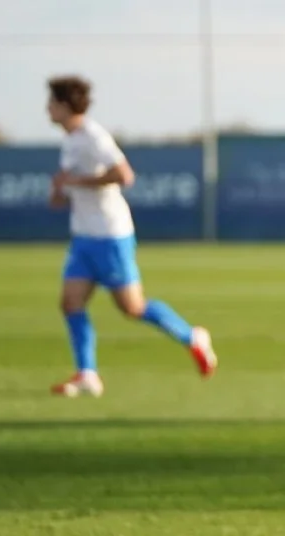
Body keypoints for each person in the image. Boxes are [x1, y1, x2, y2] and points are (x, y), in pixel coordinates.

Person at [46, 75, 217, 397]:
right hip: (83, 237)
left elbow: (124, 175)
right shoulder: (70, 141)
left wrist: (78, 183)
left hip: (109, 234)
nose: (47, 109)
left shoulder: (94, 136)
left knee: (132, 308)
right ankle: (87, 374)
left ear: (65, 105)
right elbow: (74, 186)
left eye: (52, 102)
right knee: (70, 303)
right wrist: (61, 191)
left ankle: (192, 337)